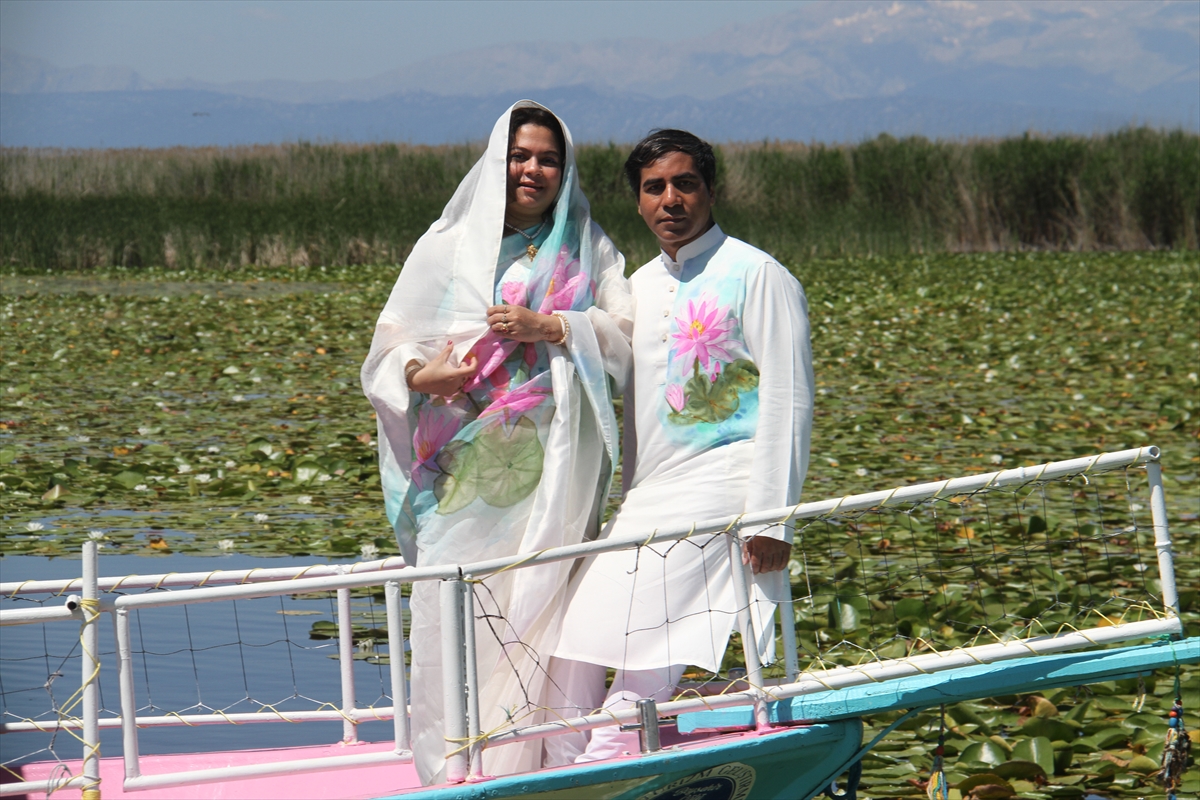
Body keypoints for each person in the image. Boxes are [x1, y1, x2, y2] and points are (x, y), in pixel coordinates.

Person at [361, 101, 632, 783]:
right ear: (496, 160)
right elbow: (389, 351)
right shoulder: (448, 247)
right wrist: (423, 374)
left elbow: (629, 339)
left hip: (555, 471)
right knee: (456, 609)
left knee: (545, 608)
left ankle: (545, 766)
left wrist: (553, 327)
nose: (532, 170)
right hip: (461, 474)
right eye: (520, 156)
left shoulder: (587, 247)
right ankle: (454, 771)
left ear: (565, 170)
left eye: (548, 159)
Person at [547, 129, 814, 764]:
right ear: (639, 201)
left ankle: (607, 764)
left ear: (710, 190)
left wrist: (772, 518)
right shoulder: (637, 287)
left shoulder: (758, 274)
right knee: (571, 641)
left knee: (649, 646)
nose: (670, 199)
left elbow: (789, 397)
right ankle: (552, 762)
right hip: (648, 496)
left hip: (724, 486)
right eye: (654, 187)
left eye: (685, 184)